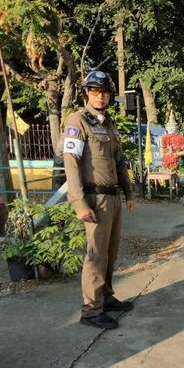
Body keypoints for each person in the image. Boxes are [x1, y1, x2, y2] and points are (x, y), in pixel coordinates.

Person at [63, 71, 136, 329]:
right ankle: (91, 310)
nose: (100, 96)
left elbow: (120, 161)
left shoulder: (109, 124)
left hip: (113, 198)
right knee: (95, 256)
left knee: (110, 253)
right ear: (87, 93)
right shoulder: (77, 120)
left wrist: (129, 193)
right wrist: (79, 203)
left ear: (110, 96)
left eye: (104, 92)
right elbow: (71, 163)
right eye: (95, 91)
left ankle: (106, 297)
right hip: (94, 199)